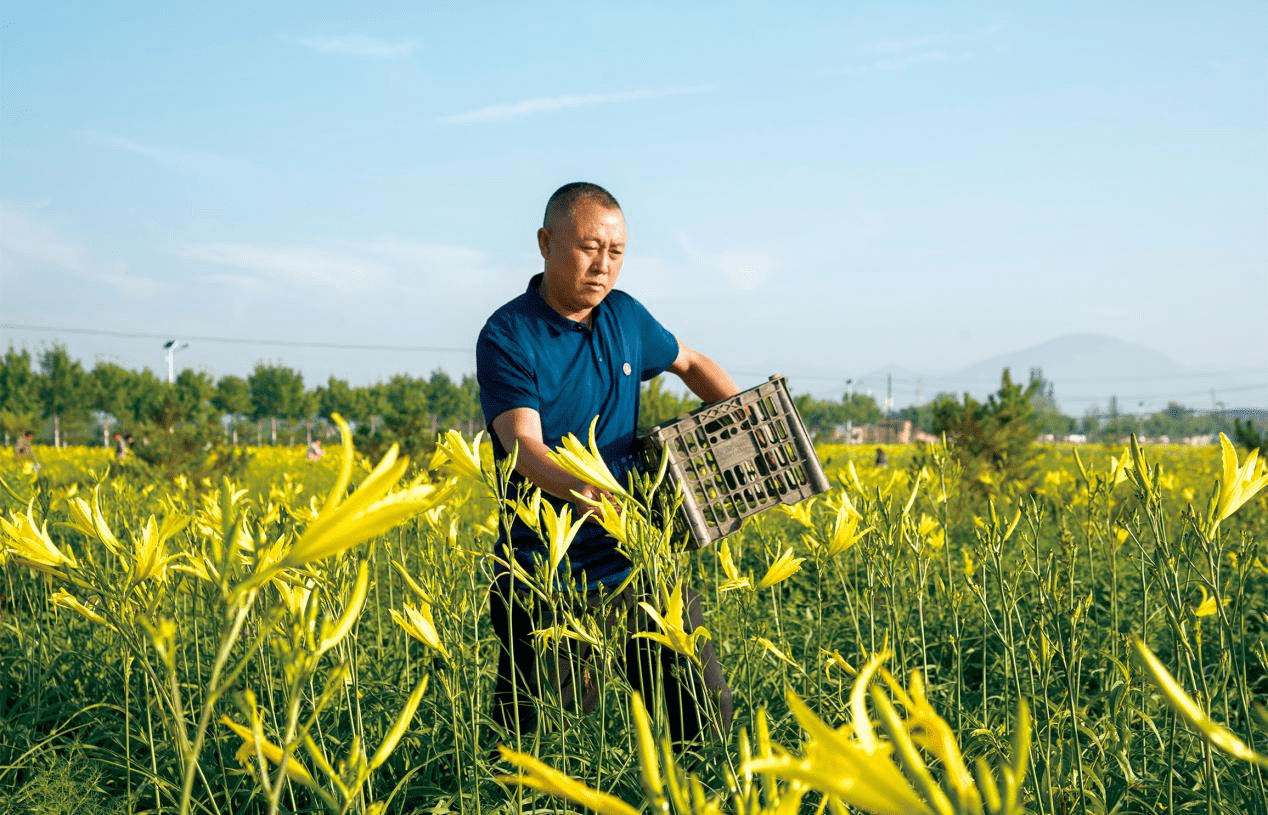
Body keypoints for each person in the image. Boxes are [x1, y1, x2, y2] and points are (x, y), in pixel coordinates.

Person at [477, 182, 738, 749]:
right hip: (543, 574)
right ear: (546, 243)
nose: (603, 265)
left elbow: (690, 361)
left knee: (703, 708)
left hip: (635, 561)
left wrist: (744, 425)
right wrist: (587, 492)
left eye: (616, 252)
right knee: (547, 742)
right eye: (589, 247)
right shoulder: (508, 334)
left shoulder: (625, 317)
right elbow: (524, 446)